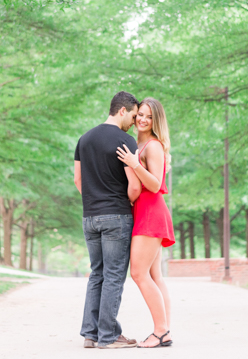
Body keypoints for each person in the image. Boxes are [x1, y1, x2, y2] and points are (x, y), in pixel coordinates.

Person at [74, 91, 141, 349]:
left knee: (97, 274)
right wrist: (121, 203)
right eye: (134, 115)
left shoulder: (84, 139)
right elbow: (134, 187)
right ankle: (109, 336)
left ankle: (90, 335)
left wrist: (95, 201)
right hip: (116, 215)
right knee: (114, 275)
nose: (134, 122)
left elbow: (78, 181)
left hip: (90, 216)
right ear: (122, 110)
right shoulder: (126, 141)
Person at [116, 97, 175, 348]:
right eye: (140, 114)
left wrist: (133, 164)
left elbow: (155, 185)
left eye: (149, 116)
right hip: (144, 212)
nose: (142, 119)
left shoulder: (153, 146)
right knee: (154, 276)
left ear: (156, 121)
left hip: (151, 213)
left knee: (138, 273)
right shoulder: (139, 143)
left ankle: (161, 331)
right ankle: (165, 330)